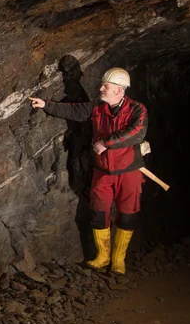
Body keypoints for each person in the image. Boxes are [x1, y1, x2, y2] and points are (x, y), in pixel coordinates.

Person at [29, 67, 148, 274]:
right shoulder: (97, 107)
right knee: (98, 213)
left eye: (106, 86)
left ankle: (118, 260)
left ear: (119, 90)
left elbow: (136, 133)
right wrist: (45, 105)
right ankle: (102, 257)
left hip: (129, 171)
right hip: (103, 171)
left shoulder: (137, 109)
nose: (101, 88)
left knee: (127, 215)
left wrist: (107, 143)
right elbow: (74, 110)